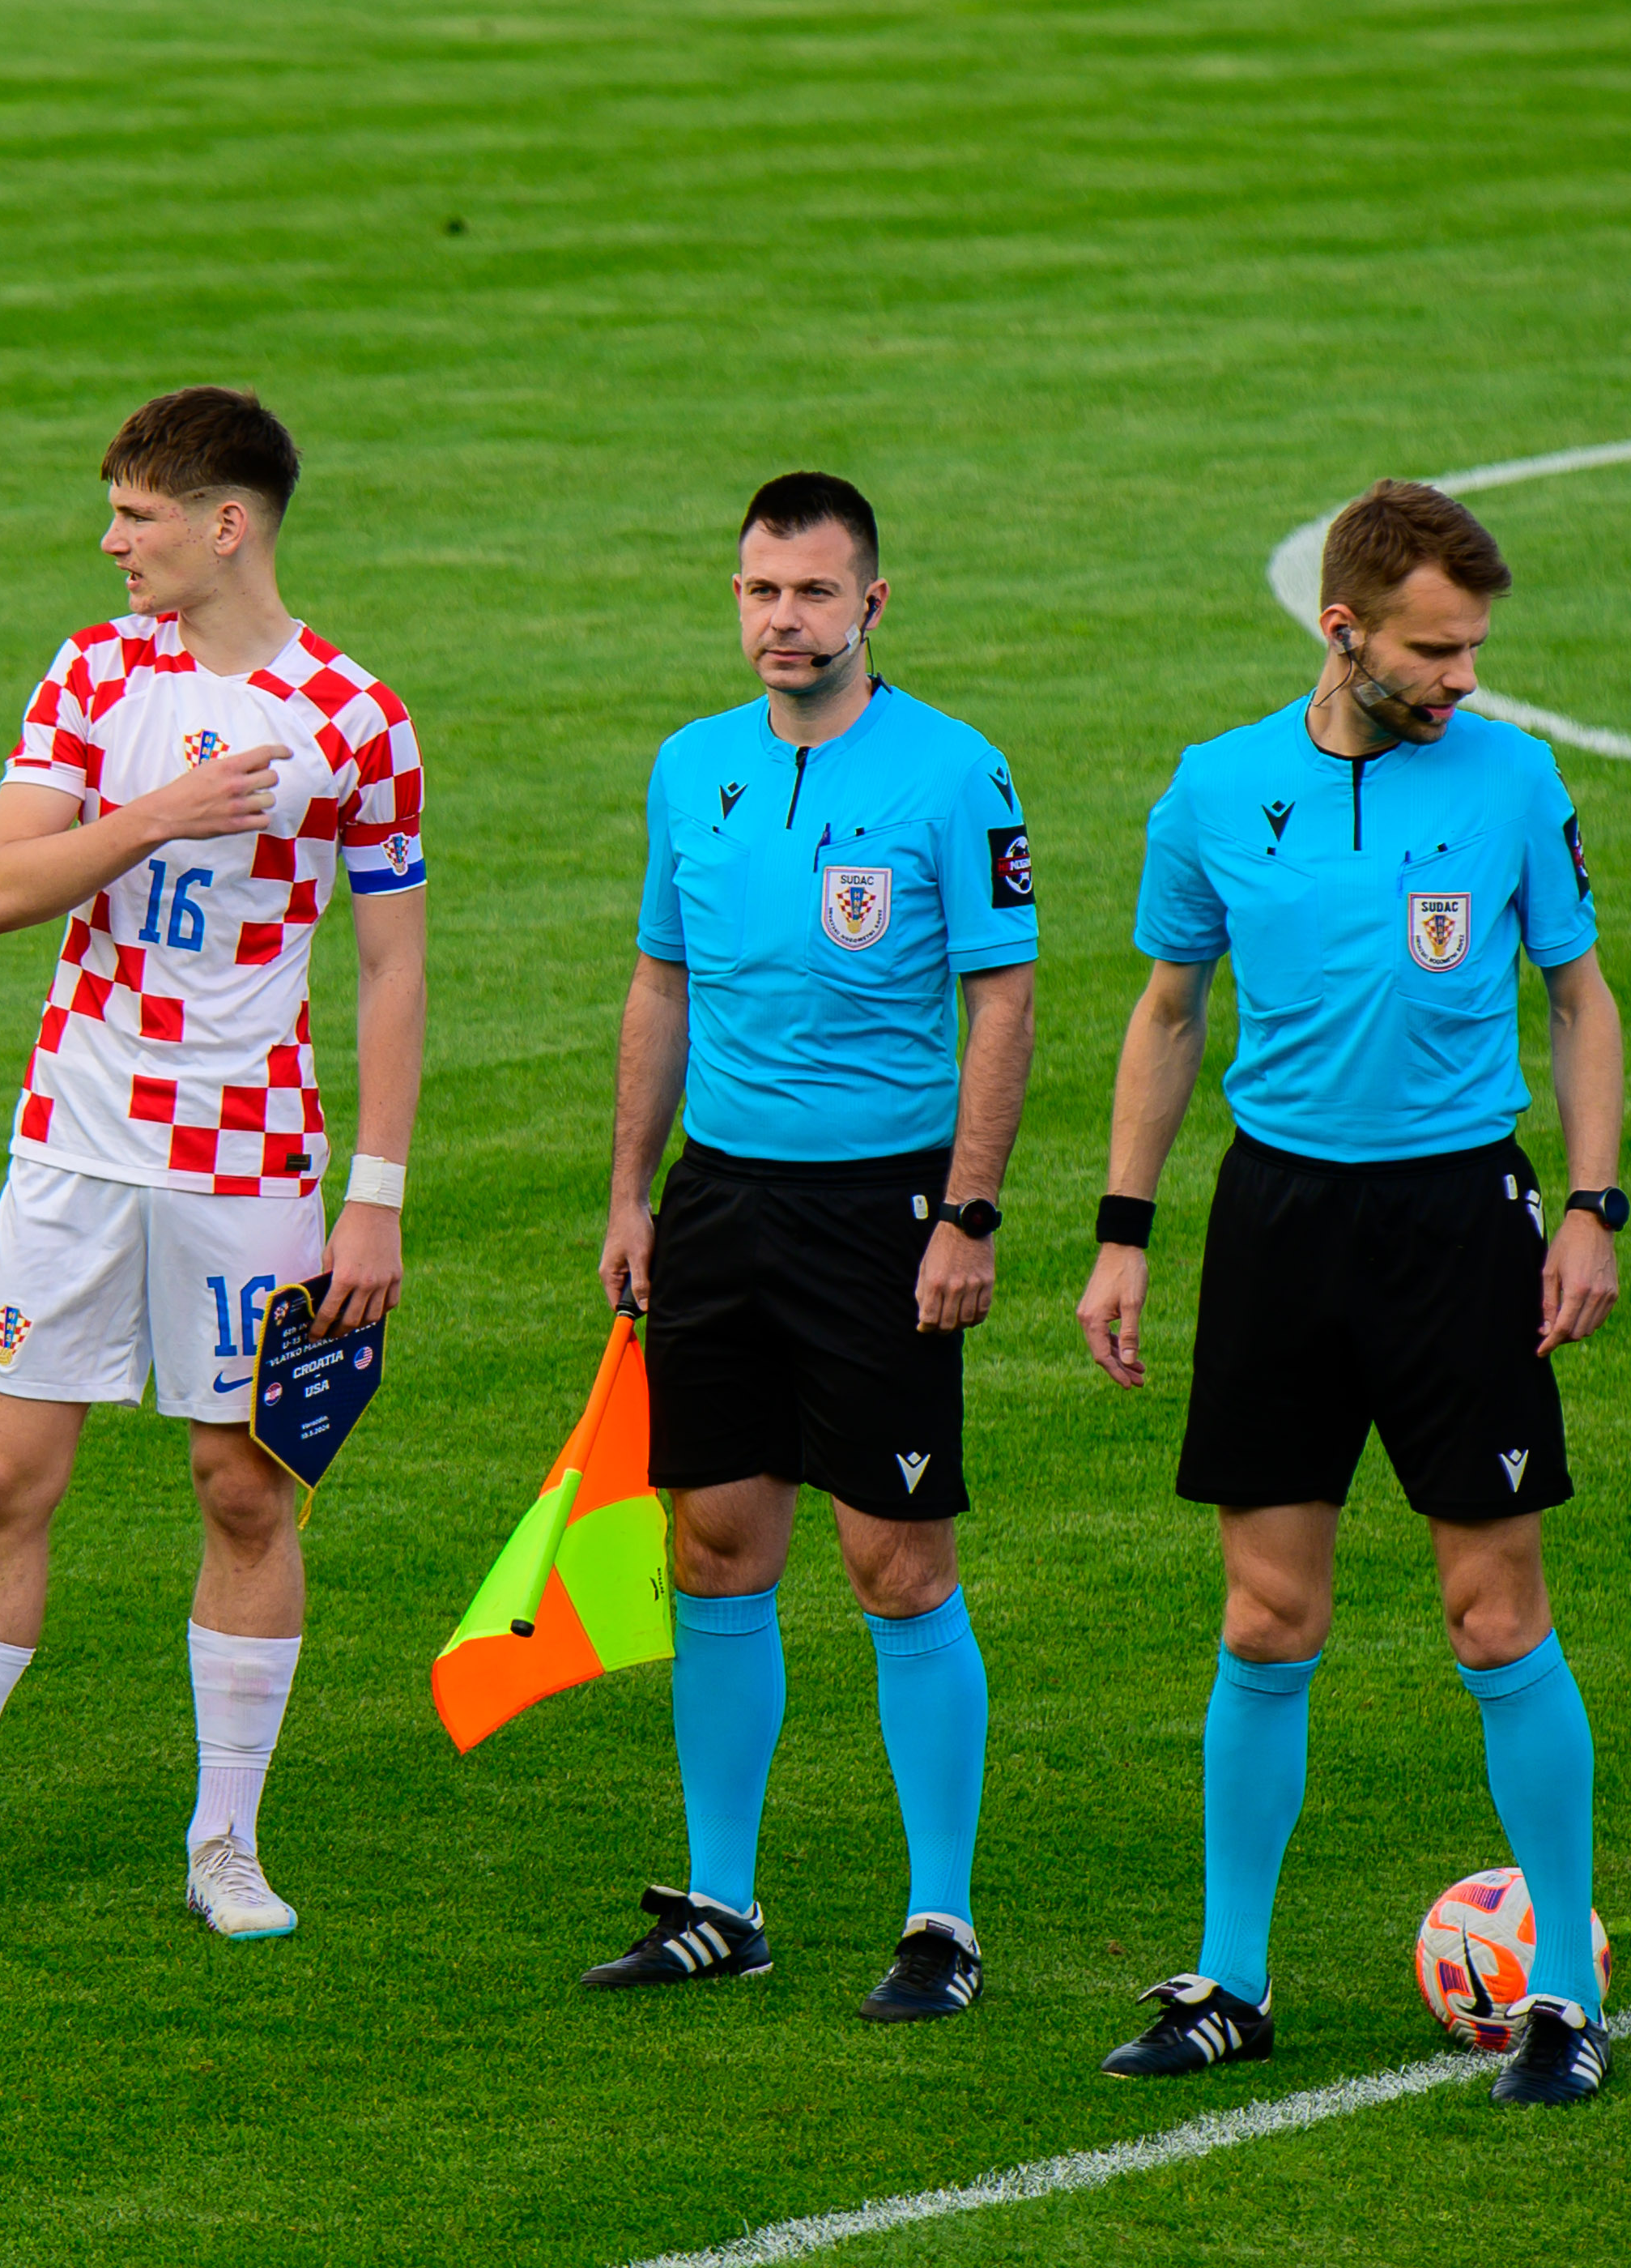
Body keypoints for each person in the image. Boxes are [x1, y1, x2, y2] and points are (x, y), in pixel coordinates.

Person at [0, 385, 424, 1943]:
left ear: (227, 525)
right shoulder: (93, 671)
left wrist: (376, 1196)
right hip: (75, 1138)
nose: (111, 542)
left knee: (245, 1490)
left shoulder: (356, 717)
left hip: (250, 1157)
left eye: (137, 516)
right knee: (3, 1478)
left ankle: (227, 1845)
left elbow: (392, 965)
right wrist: (159, 814)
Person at [1079, 480, 1621, 2104]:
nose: (1464, 676)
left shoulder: (1515, 780)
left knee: (1494, 1610)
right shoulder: (1216, 786)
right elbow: (1170, 1009)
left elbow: (1581, 1001)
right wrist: (1123, 1229)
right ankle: (1232, 1981)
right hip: (1281, 1222)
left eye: (1473, 648)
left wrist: (1590, 1207)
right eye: (1435, 650)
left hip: (1461, 1221)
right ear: (1344, 631)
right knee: (1267, 1615)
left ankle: (1563, 1992)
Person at [585, 472, 1035, 2021]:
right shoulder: (692, 765)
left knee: (896, 1562)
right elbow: (661, 984)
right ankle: (724, 1902)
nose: (785, 620)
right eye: (763, 592)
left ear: (872, 605)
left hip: (883, 1213)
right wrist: (633, 1193)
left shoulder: (957, 772)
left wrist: (967, 1212)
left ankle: (941, 1921)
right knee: (714, 1544)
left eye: (815, 593)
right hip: (721, 1204)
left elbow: (1002, 1001)